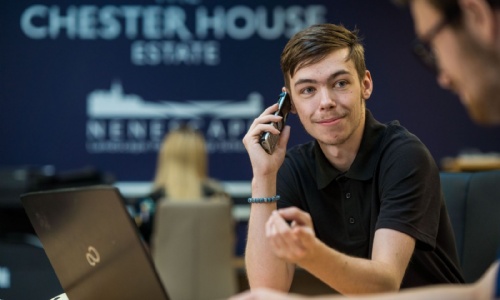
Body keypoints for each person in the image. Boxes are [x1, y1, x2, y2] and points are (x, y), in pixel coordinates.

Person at [231, 1, 500, 299]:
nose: (325, 102)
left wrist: (309, 252)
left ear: (365, 84)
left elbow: (384, 284)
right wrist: (263, 175)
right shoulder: (294, 167)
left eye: (340, 83)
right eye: (308, 90)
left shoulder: (403, 154)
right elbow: (266, 289)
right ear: (290, 104)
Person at [132, 124, 230, 243]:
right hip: (212, 262)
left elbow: (140, 250)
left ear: (165, 156)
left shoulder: (147, 204)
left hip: (161, 262)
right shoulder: (219, 200)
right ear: (200, 157)